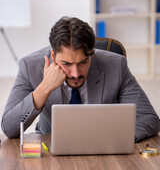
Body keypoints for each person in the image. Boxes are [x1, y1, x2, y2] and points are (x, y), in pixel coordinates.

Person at [1, 16, 160, 141]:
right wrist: (44, 88)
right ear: (53, 55)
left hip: (103, 148)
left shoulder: (116, 65)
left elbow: (149, 118)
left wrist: (112, 139)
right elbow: (9, 128)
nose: (75, 73)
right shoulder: (30, 67)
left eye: (83, 62)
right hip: (51, 147)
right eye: (67, 63)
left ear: (92, 53)